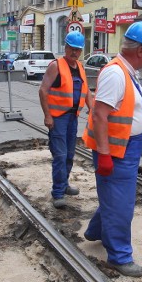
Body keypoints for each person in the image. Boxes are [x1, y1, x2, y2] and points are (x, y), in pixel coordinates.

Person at [81, 21, 142, 278]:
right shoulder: (115, 74)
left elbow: (127, 112)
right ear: (141, 51)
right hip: (114, 152)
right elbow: (100, 115)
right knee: (121, 206)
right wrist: (103, 154)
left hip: (127, 148)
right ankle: (119, 257)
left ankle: (96, 231)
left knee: (115, 200)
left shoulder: (128, 72)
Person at [39, 31, 94, 208]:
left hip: (72, 118)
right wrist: (47, 115)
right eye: (72, 49)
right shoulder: (56, 66)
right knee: (60, 155)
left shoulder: (80, 67)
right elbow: (43, 91)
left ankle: (64, 184)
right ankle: (57, 193)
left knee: (70, 155)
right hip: (58, 119)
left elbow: (87, 93)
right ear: (66, 47)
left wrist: (93, 110)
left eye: (78, 50)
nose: (75, 53)